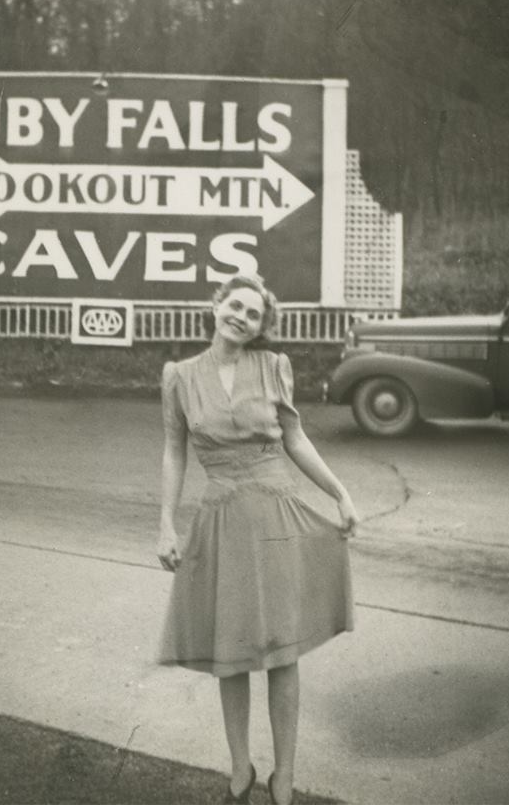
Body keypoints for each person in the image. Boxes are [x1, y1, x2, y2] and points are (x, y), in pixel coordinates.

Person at [156, 273, 359, 805]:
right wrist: (165, 523)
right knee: (232, 651)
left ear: (261, 327)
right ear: (217, 305)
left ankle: (284, 775)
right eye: (236, 306)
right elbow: (174, 451)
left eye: (254, 315)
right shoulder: (179, 376)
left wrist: (339, 492)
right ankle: (241, 768)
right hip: (219, 520)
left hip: (276, 518)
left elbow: (294, 437)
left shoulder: (274, 367)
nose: (242, 318)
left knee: (282, 652)